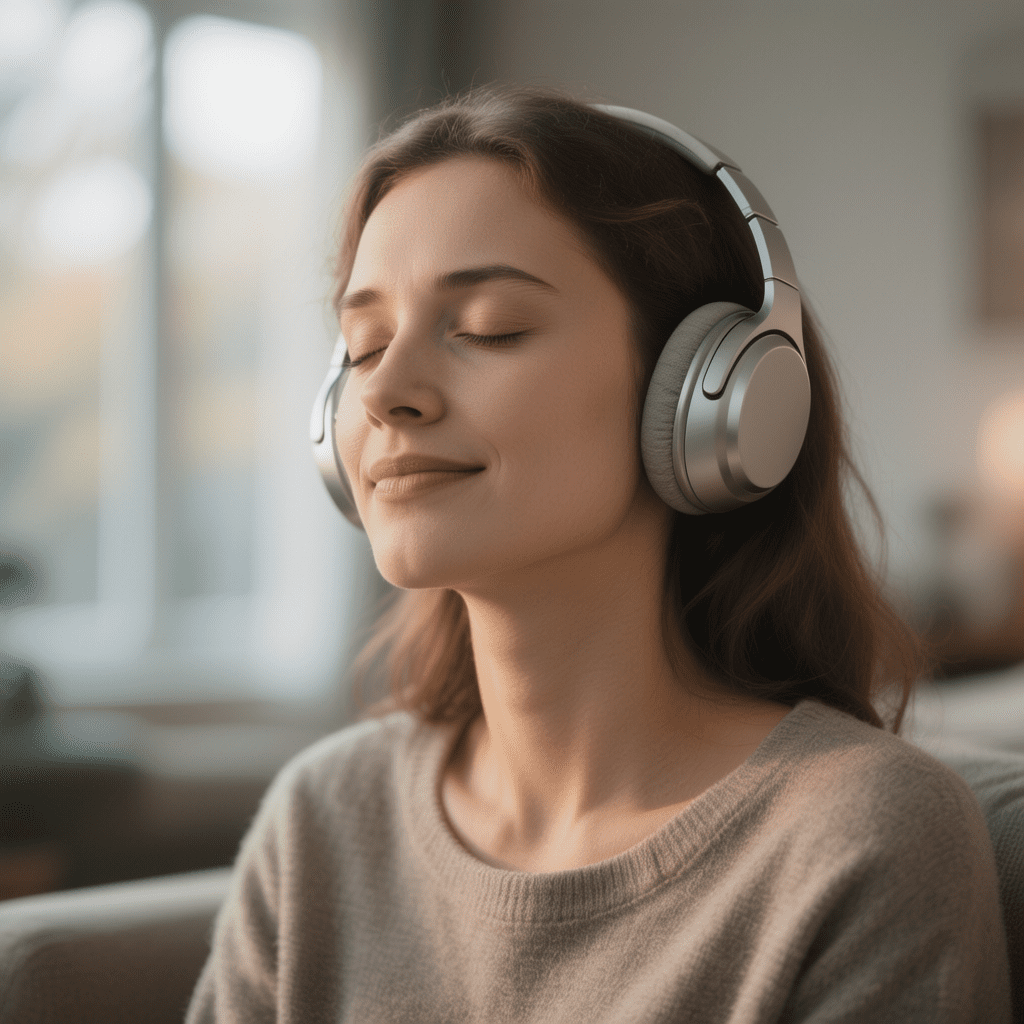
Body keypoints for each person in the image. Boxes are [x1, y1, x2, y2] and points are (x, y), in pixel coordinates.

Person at [185, 87, 1012, 1023]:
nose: (386, 395)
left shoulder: (862, 835)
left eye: (491, 326)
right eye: (364, 343)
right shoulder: (324, 819)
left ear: (711, 394)